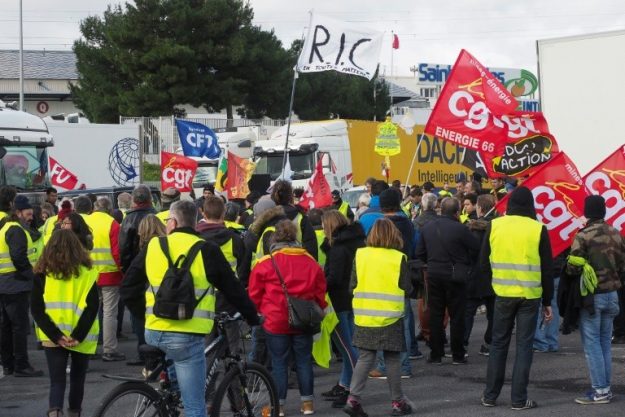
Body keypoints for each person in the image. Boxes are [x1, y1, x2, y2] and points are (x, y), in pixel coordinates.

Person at [122, 200, 260, 417]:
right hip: (186, 336)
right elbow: (234, 290)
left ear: (173, 222)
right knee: (195, 406)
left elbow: (128, 289)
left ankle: (170, 399)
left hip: (154, 331)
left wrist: (146, 316)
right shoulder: (207, 250)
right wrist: (253, 317)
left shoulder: (153, 246)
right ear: (195, 222)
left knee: (176, 383)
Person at [480, 186, 553, 410]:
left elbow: (483, 262)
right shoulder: (538, 228)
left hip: (502, 294)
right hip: (530, 296)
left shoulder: (495, 225)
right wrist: (548, 302)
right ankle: (519, 400)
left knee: (498, 345)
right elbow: (546, 269)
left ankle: (490, 396)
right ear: (530, 205)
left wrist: (486, 294)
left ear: (509, 204)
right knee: (524, 347)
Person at [248, 219, 327, 416]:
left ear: (275, 238)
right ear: (296, 237)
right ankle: (307, 404)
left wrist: (258, 313)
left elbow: (254, 295)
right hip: (305, 319)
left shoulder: (265, 263)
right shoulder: (310, 261)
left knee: (279, 363)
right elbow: (320, 293)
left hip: (275, 320)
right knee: (303, 361)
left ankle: (278, 406)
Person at [344, 218, 413, 417]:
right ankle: (397, 403)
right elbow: (406, 288)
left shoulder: (361, 255)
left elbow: (352, 286)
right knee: (392, 359)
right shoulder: (398, 258)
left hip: (365, 315)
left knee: (365, 357)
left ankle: (353, 399)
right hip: (390, 316)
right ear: (394, 235)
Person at [31, 229, 99, 417]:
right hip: (81, 336)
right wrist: (77, 335)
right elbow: (92, 307)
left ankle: (55, 412)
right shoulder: (88, 273)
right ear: (77, 248)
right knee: (78, 380)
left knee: (57, 380)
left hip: (53, 336)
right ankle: (74, 413)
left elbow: (37, 309)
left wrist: (56, 336)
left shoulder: (42, 274)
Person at [566, 195, 625, 404]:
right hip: (612, 296)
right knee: (604, 345)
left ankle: (600, 391)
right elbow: (622, 267)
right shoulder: (617, 234)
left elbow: (573, 267)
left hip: (591, 298)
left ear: (587, 212)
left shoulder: (583, 236)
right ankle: (605, 388)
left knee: (592, 346)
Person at [416, 197, 479, 365]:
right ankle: (457, 353)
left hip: (434, 274)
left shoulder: (427, 228)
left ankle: (436, 353)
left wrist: (432, 261)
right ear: (457, 212)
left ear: (440, 209)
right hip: (455, 275)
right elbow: (476, 249)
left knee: (436, 314)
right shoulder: (461, 229)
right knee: (457, 315)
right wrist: (464, 262)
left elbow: (420, 252)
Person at [319, 210, 365, 408]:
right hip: (351, 299)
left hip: (338, 301)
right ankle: (345, 384)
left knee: (347, 348)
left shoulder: (338, 249)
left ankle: (353, 392)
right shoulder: (355, 243)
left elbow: (335, 278)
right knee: (350, 346)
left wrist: (317, 285)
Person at [0, 191, 44, 377]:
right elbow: (18, 256)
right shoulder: (16, 229)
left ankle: (9, 364)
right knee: (19, 327)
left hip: (5, 282)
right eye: (27, 211)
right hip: (15, 283)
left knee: (6, 326)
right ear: (17, 212)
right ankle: (21, 365)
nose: (30, 214)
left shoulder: (4, 228)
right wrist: (31, 275)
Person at [197, 197, 246, 355]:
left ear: (203, 212)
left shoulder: (195, 239)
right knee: (232, 337)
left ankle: (207, 374)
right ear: (224, 213)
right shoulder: (235, 239)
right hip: (228, 296)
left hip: (203, 295)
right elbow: (244, 270)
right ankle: (234, 374)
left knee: (207, 339)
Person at [119, 185, 157, 365]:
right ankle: (155, 350)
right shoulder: (156, 216)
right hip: (156, 269)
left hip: (137, 270)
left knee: (138, 313)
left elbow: (124, 248)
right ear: (150, 199)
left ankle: (144, 351)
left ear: (134, 200)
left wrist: (127, 271)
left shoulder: (129, 220)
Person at [85, 197, 125, 362]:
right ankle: (109, 349)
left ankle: (89, 347)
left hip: (87, 274)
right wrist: (121, 270)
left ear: (94, 208)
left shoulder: (85, 221)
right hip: (109, 274)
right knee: (109, 313)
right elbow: (117, 252)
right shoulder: (113, 224)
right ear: (109, 209)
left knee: (90, 312)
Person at [465, 194, 497, 356]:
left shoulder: (472, 229)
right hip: (493, 275)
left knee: (468, 311)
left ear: (480, 208)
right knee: (493, 313)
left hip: (475, 275)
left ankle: (462, 344)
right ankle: (489, 343)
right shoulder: (497, 229)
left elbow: (468, 254)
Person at [270, 180, 318, 260]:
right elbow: (311, 246)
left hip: (274, 265)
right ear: (291, 196)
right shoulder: (301, 217)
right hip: (298, 263)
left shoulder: (268, 217)